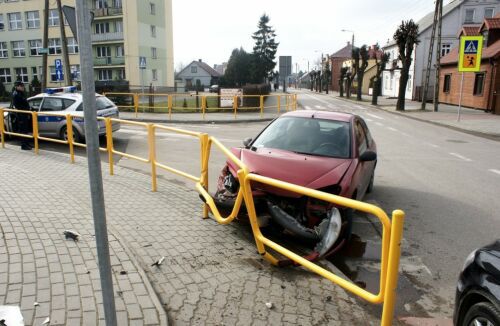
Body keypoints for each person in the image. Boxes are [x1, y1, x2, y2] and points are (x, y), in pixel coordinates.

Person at [11, 81, 33, 150]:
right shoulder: (16, 94)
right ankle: (23, 145)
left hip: (24, 114)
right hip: (21, 115)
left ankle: (26, 143)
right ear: (17, 87)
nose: (23, 87)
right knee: (23, 130)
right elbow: (18, 106)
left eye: (23, 86)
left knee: (25, 130)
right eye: (21, 86)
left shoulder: (20, 93)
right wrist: (26, 110)